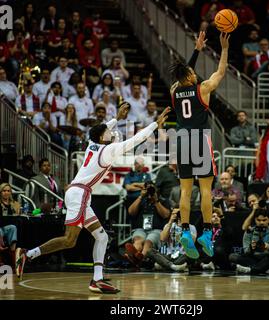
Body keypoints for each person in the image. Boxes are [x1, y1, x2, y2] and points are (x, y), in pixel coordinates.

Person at [15, 102, 170, 294]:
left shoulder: (93, 145)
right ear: (101, 136)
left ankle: (97, 279)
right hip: (80, 194)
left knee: (101, 236)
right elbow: (136, 140)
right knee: (69, 240)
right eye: (108, 131)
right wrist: (155, 124)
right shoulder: (108, 150)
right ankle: (27, 254)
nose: (111, 132)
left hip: (81, 194)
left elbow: (101, 129)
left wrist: (117, 119)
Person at [169, 31, 229, 259]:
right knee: (205, 189)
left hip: (181, 140)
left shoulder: (175, 91)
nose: (195, 73)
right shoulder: (202, 88)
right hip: (200, 139)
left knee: (185, 190)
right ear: (189, 76)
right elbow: (221, 72)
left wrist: (196, 51)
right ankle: (205, 233)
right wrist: (223, 49)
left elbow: (182, 75)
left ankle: (184, 229)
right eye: (192, 72)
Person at [229, 209, 269, 275]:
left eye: (264, 220)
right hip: (253, 258)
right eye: (258, 220)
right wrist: (251, 248)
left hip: (268, 258)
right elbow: (246, 251)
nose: (261, 222)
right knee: (232, 256)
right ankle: (265, 270)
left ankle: (251, 270)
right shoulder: (249, 231)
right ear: (255, 220)